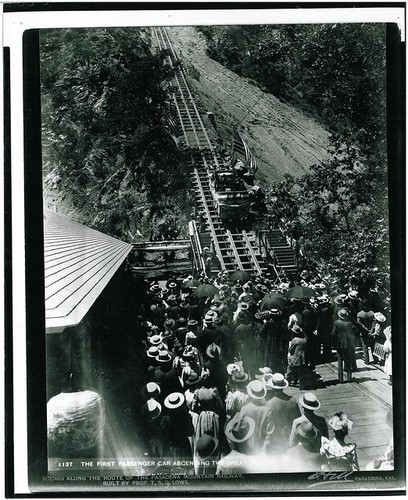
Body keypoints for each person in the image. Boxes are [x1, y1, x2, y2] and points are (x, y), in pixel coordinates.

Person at [264, 373, 301, 455]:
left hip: (276, 438)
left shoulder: (270, 403)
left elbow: (269, 424)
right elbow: (298, 420)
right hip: (290, 436)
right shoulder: (293, 400)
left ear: (273, 387)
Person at [331, 309, 359, 383]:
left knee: (340, 360)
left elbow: (333, 333)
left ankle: (341, 378)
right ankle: (349, 377)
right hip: (348, 343)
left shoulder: (336, 323)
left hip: (339, 343)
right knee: (348, 360)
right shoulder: (349, 323)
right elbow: (356, 330)